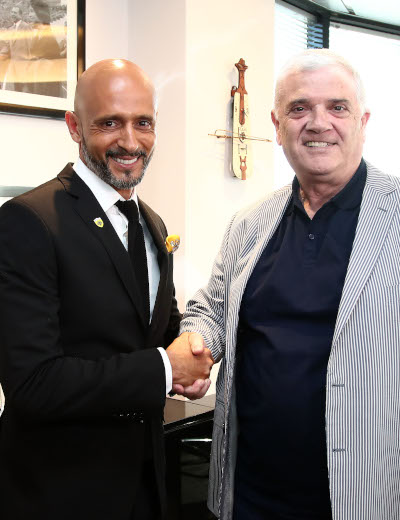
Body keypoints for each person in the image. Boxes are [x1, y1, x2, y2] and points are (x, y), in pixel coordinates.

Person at [177, 49, 400, 519]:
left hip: (364, 495)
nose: (318, 123)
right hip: (251, 494)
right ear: (277, 127)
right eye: (300, 108)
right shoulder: (249, 223)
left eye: (337, 107)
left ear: (363, 121)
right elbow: (212, 308)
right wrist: (196, 343)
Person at [0, 59, 213, 520]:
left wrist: (192, 359)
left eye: (143, 123)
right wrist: (164, 369)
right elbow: (32, 384)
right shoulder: (28, 221)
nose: (130, 142)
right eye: (110, 123)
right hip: (59, 494)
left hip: (145, 484)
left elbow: (158, 330)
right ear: (75, 127)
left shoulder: (153, 223)